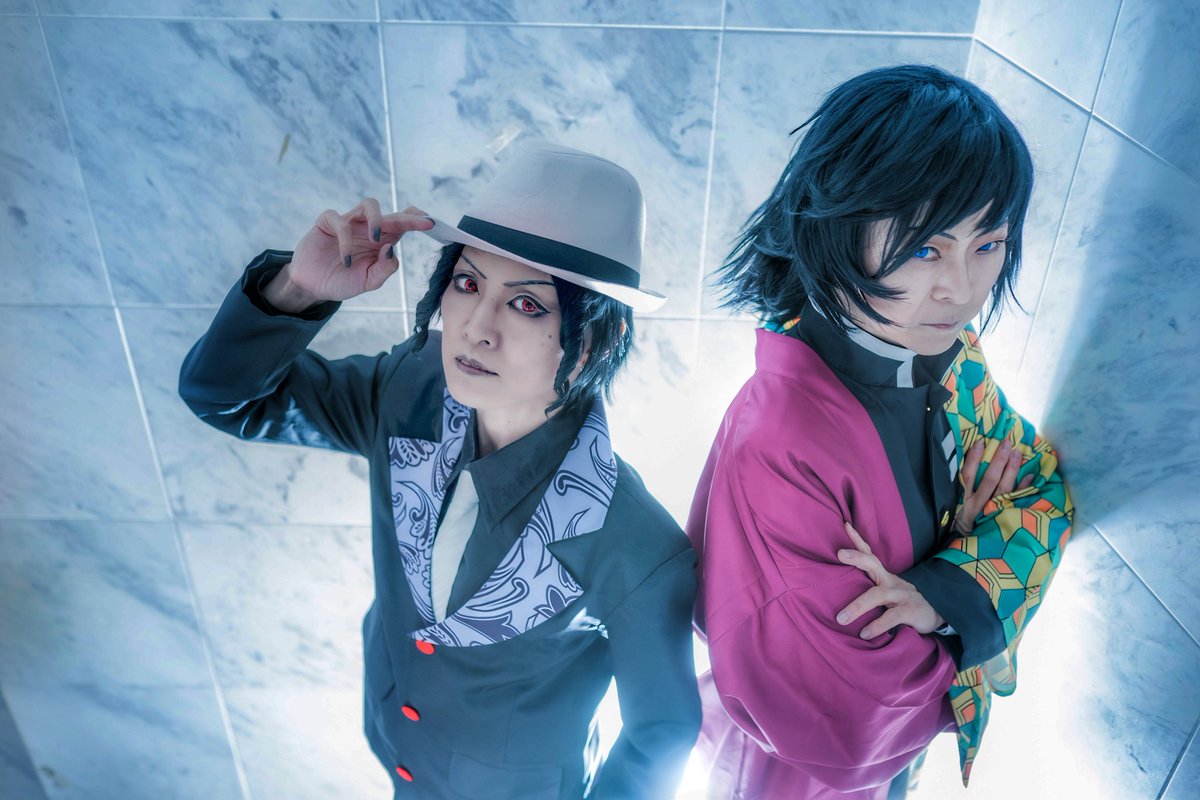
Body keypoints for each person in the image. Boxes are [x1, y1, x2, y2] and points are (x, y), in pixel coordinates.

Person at [179, 141, 701, 799]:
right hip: (395, 744)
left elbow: (662, 733)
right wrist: (298, 290)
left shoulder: (636, 544)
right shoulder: (411, 386)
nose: (477, 328)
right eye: (467, 284)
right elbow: (226, 400)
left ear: (595, 340)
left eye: (527, 305)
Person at [687, 65, 1074, 799]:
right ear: (836, 226)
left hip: (902, 755)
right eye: (926, 248)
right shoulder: (780, 439)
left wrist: (944, 591)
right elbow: (841, 711)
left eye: (988, 243)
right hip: (787, 768)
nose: (960, 289)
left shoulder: (953, 358)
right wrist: (970, 571)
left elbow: (1043, 488)